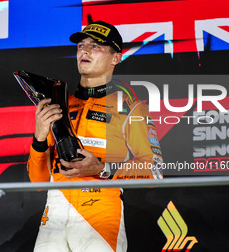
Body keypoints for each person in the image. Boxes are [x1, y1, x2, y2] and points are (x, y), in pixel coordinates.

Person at [27, 20, 163, 252]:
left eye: (96, 46)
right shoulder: (59, 105)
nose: (85, 50)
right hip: (54, 211)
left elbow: (155, 171)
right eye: (81, 45)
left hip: (101, 210)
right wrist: (39, 139)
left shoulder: (130, 107)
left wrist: (101, 168)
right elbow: (38, 183)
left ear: (115, 58)